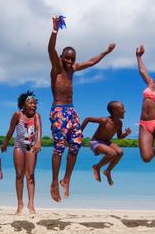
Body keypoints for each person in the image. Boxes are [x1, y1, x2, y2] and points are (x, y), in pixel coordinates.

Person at [48, 15, 116, 201]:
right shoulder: (57, 68)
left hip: (71, 111)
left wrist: (106, 52)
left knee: (76, 145)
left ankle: (66, 180)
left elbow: (92, 62)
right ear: (61, 58)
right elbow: (50, 49)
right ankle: (54, 182)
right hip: (59, 111)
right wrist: (54, 30)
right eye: (67, 58)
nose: (70, 62)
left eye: (72, 59)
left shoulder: (73, 69)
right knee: (59, 148)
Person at [1, 91, 42, 214]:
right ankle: (20, 203)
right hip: (18, 146)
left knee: (30, 175)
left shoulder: (36, 116)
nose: (33, 105)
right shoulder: (17, 115)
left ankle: (31, 203)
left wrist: (38, 142)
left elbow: (39, 129)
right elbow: (11, 130)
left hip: (31, 147)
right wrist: (5, 143)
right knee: (19, 175)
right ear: (23, 105)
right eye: (30, 103)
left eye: (35, 103)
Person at [81, 101, 131, 185]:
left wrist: (126, 134)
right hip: (95, 142)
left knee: (120, 152)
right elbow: (87, 119)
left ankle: (108, 171)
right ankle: (97, 167)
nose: (124, 111)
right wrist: (80, 131)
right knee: (112, 153)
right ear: (115, 111)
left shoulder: (119, 123)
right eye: (122, 109)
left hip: (107, 142)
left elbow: (119, 136)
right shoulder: (105, 120)